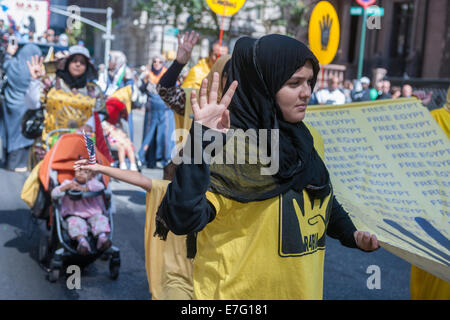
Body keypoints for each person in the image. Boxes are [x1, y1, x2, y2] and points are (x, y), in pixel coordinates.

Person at [154, 35, 379, 300]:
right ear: (263, 84)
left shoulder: (308, 139)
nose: (306, 92)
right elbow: (183, 218)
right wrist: (199, 141)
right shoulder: (227, 147)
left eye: (309, 81)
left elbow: (319, 198)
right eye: (294, 83)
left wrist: (351, 234)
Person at [25, 45, 112, 163]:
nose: (78, 64)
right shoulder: (51, 82)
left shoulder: (93, 89)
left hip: (82, 146)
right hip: (50, 144)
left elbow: (99, 113)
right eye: (74, 61)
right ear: (66, 63)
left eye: (82, 62)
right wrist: (34, 80)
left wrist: (88, 125)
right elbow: (32, 105)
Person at [51, 166, 111, 255]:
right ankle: (82, 243)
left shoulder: (94, 183)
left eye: (85, 172)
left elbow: (101, 187)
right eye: (79, 171)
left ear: (92, 175)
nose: (81, 173)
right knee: (75, 223)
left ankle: (102, 239)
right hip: (74, 214)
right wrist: (65, 188)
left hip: (93, 213)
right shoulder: (69, 183)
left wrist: (85, 189)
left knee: (101, 219)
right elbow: (54, 193)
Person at [1, 43, 41, 172]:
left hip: (9, 110)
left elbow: (6, 62)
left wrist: (9, 53)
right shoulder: (36, 72)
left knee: (9, 138)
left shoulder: (13, 66)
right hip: (26, 112)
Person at [138, 55, 175, 169]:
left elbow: (174, 89)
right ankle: (146, 159)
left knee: (164, 135)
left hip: (165, 109)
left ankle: (166, 159)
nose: (156, 64)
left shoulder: (167, 74)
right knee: (149, 135)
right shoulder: (148, 74)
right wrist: (144, 80)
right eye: (154, 61)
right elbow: (142, 89)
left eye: (159, 62)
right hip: (151, 109)